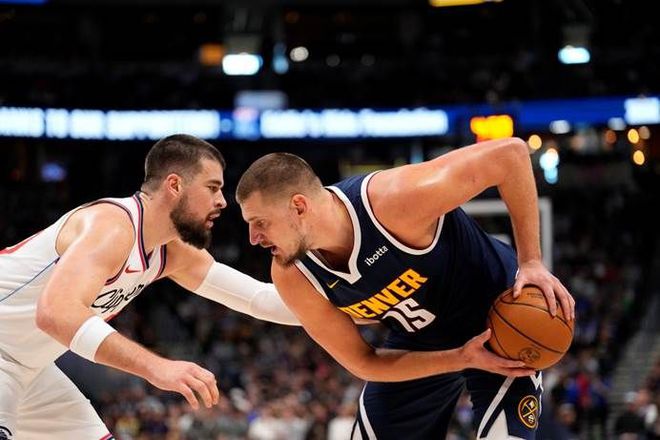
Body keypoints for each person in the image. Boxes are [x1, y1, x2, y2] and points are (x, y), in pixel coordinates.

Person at [236, 137, 576, 439]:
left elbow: (511, 155)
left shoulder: (393, 202)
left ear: (298, 206)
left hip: (499, 316)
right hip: (421, 342)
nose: (253, 238)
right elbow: (364, 362)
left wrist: (531, 261)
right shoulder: (293, 275)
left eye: (259, 223)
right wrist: (459, 358)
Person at [0, 134, 299, 440]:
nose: (222, 201)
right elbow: (55, 313)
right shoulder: (112, 226)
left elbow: (258, 299)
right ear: (175, 185)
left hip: (30, 369)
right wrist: (156, 367)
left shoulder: (171, 251)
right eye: (212, 187)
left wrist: (331, 304)